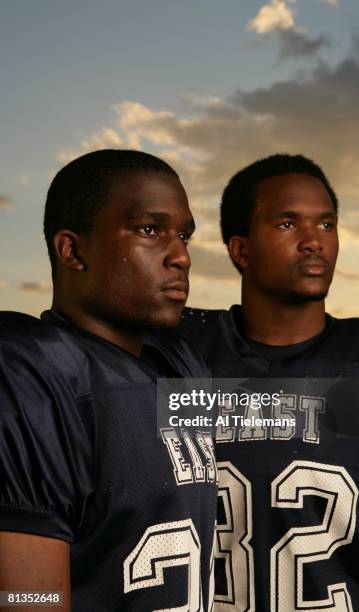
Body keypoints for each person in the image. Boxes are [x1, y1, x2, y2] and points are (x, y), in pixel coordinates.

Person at [173, 154, 359, 611]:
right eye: (287, 224)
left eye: (326, 224)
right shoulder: (179, 356)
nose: (313, 242)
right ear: (240, 250)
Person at [0, 149, 218, 611]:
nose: (181, 256)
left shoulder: (179, 363)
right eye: (149, 230)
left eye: (183, 235)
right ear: (73, 250)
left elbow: (293, 420)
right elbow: (27, 597)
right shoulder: (34, 376)